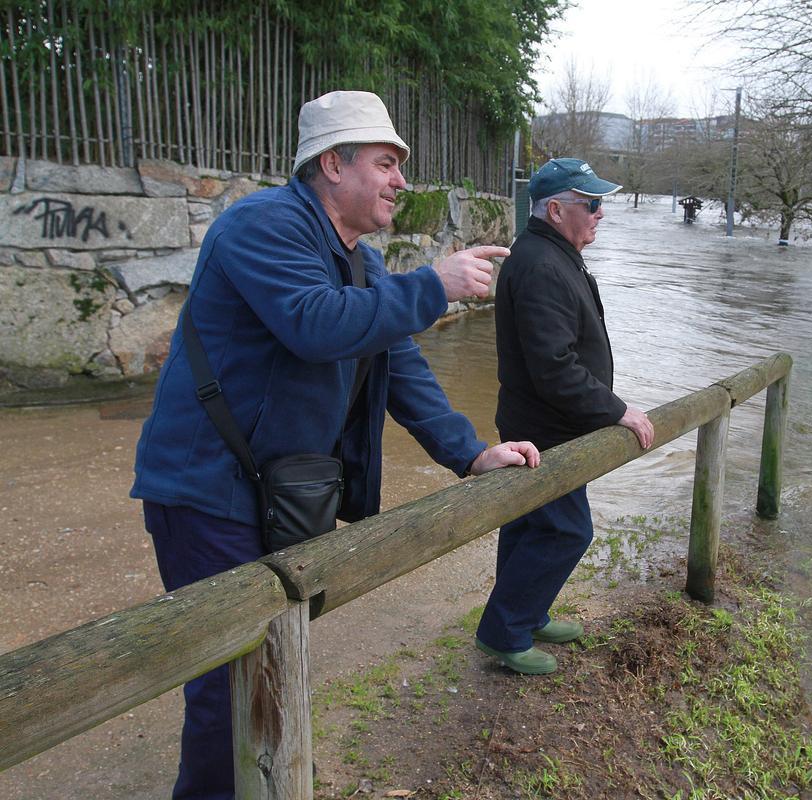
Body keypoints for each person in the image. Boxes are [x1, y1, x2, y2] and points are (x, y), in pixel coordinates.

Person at [130, 90, 539, 800]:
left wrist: (470, 454)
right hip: (204, 491)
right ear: (331, 164)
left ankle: (273, 778)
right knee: (228, 680)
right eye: (386, 163)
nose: (402, 181)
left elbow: (399, 364)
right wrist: (433, 285)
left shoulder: (358, 259)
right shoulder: (262, 226)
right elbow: (314, 325)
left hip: (275, 491)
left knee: (272, 659)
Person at [474, 158, 654, 675]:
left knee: (531, 526)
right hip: (544, 432)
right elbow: (554, 368)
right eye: (591, 204)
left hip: (542, 425)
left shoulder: (552, 254)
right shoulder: (541, 264)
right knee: (566, 532)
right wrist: (617, 410)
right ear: (556, 209)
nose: (601, 213)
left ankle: (527, 615)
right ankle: (504, 633)